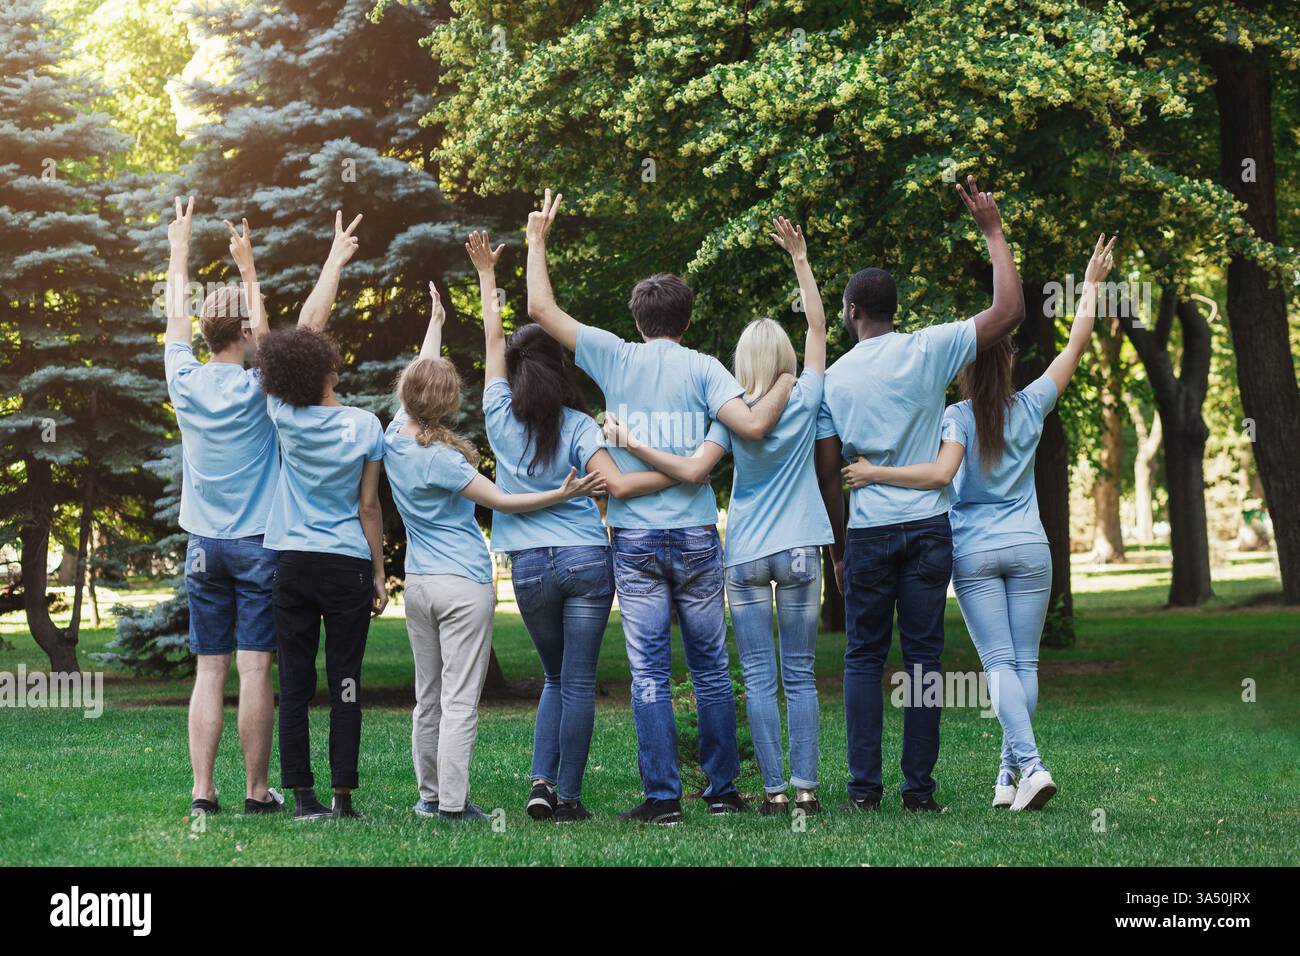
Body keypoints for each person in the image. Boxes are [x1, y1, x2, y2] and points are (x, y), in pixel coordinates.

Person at [526, 189, 795, 825]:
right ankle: (724, 791)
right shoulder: (705, 368)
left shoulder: (614, 356)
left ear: (639, 318)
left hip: (636, 541)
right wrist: (786, 379)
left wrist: (538, 238)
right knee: (708, 666)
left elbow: (540, 308)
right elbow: (749, 428)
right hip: (699, 534)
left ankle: (663, 799)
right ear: (686, 317)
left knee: (647, 668)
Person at [844, 234, 1116, 812]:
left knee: (997, 666)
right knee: (1025, 664)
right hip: (1030, 548)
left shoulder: (957, 417)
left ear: (965, 371)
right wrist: (1089, 287)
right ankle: (1009, 775)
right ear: (1012, 363)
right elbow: (1076, 344)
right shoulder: (1035, 402)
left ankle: (1031, 766)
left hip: (972, 549)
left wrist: (874, 474)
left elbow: (941, 475)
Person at [601, 217, 833, 816]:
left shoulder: (726, 415)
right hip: (804, 545)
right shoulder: (805, 395)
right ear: (782, 361)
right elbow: (816, 327)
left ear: (739, 361)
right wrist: (800, 261)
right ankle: (806, 789)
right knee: (800, 676)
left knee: (756, 676)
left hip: (749, 552)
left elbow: (690, 470)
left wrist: (630, 447)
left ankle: (774, 791)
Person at [814, 176, 1025, 812]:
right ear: (894, 309)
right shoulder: (929, 348)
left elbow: (830, 474)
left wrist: (839, 552)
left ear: (851, 312)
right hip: (931, 526)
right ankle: (919, 792)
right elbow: (1009, 313)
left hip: (871, 532)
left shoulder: (830, 378)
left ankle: (862, 790)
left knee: (862, 658)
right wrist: (992, 231)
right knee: (925, 660)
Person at [466, 232, 675, 823]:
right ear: (560, 369)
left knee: (555, 676)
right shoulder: (580, 426)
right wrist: (681, 473)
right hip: (585, 559)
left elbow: (490, 340)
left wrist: (487, 278)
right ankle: (569, 796)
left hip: (528, 567)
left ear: (513, 368)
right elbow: (615, 483)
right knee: (576, 681)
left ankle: (540, 783)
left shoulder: (498, 417)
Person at [385, 278, 605, 823]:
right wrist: (563, 492)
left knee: (428, 697)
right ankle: (456, 806)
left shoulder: (393, 437)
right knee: (460, 699)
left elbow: (419, 384)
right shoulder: (448, 462)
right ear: (446, 403)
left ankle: (429, 796)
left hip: (418, 586)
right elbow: (505, 501)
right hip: (462, 585)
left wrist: (434, 329)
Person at [259, 211, 384, 822]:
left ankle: (302, 796)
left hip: (293, 563)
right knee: (346, 684)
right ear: (329, 370)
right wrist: (381, 576)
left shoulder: (284, 415)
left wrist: (333, 260)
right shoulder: (365, 426)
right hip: (347, 566)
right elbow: (368, 507)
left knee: (294, 685)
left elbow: (306, 329)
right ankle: (342, 796)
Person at [163, 197, 283, 816]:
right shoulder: (261, 386)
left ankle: (202, 791)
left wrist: (180, 249)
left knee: (209, 670)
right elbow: (270, 346)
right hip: (259, 544)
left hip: (204, 548)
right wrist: (247, 269)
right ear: (241, 333)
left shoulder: (183, 382)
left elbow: (177, 323)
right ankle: (256, 791)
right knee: (255, 669)